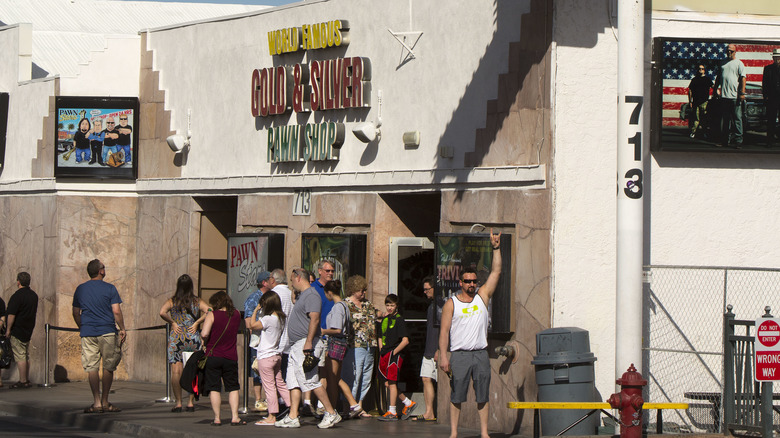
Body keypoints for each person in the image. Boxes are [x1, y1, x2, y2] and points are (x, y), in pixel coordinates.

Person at [439, 229, 502, 438]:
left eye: (474, 281)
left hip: (480, 353)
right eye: (467, 281)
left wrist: (496, 248)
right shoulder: (452, 303)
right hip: (460, 354)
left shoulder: (482, 297)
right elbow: (444, 331)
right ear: (460, 283)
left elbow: (495, 273)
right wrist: (444, 356)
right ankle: (454, 433)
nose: (471, 284)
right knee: (457, 395)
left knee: (482, 395)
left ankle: (484, 433)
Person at [275, 267, 341, 429]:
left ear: (298, 278)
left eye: (292, 280)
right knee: (293, 381)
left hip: (305, 343)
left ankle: (331, 413)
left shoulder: (311, 295)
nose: (291, 284)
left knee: (310, 381)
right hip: (296, 345)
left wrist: (309, 342)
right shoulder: (304, 295)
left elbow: (315, 318)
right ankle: (293, 416)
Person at [72, 259, 126, 413]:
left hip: (88, 332)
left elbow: (76, 312)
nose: (105, 269)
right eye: (104, 267)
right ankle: (105, 401)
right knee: (109, 366)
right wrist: (122, 328)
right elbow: (116, 311)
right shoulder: (110, 288)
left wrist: (82, 327)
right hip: (107, 331)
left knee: (92, 367)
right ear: (101, 271)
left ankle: (96, 402)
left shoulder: (80, 289)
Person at [158, 274, 210, 412]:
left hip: (177, 337)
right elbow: (209, 310)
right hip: (192, 336)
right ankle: (191, 402)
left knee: (176, 370)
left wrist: (173, 322)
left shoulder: (172, 301)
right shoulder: (196, 301)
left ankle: (179, 402)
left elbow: (162, 312)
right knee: (192, 369)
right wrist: (197, 322)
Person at [200, 290, 244, 426]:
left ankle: (217, 418)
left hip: (213, 355)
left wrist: (204, 342)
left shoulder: (212, 315)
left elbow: (204, 333)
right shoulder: (236, 314)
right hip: (231, 356)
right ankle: (235, 417)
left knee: (214, 387)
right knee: (233, 387)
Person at [321, 280, 362, 418]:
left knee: (333, 377)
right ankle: (348, 405)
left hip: (336, 342)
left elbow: (337, 329)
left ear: (330, 293)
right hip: (340, 342)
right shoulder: (344, 305)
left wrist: (323, 331)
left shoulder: (338, 307)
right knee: (335, 377)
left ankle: (334, 408)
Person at [249, 291, 291, 425]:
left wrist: (255, 310)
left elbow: (252, 325)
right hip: (276, 355)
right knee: (280, 383)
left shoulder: (267, 319)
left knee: (269, 387)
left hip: (266, 356)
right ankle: (293, 408)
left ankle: (272, 416)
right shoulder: (281, 318)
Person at [342, 275, 377, 418]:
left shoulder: (368, 304)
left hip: (370, 344)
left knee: (366, 376)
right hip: (354, 345)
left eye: (364, 290)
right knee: (353, 376)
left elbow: (375, 314)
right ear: (354, 289)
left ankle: (360, 406)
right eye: (361, 290)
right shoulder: (346, 305)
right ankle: (349, 406)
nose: (363, 293)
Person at [377, 294, 415, 421]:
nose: (389, 308)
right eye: (387, 305)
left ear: (396, 306)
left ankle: (392, 411)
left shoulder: (399, 320)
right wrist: (382, 350)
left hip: (394, 354)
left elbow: (405, 340)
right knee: (387, 383)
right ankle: (408, 403)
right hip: (385, 354)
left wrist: (393, 353)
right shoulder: (385, 319)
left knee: (392, 382)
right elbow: (380, 336)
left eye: (392, 305)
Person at [5, 272, 39, 389]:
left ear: (18, 282)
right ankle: (26, 378)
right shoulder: (33, 295)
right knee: (25, 355)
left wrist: (8, 330)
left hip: (18, 329)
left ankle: (23, 380)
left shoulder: (17, 296)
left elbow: (11, 315)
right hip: (28, 328)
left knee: (20, 355)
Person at [413, 276, 440, 422]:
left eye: (427, 289)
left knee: (441, 381)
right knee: (425, 378)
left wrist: (439, 349)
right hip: (428, 349)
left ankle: (440, 412)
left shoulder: (441, 306)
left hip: (437, 349)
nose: (425, 292)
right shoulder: (431, 306)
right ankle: (429, 412)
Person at [244, 271, 271, 411]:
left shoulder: (273, 297)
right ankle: (258, 399)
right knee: (257, 369)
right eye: (270, 279)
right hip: (258, 340)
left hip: (271, 340)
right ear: (264, 283)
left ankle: (269, 399)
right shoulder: (254, 298)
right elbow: (248, 322)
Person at [713, 44, 746, 147]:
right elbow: (718, 77)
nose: (729, 53)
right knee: (725, 120)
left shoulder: (739, 63)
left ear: (735, 52)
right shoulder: (722, 63)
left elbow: (743, 78)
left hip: (735, 97)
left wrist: (742, 93)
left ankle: (738, 141)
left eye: (731, 51)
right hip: (724, 97)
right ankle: (724, 141)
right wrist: (715, 89)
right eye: (727, 51)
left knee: (737, 119)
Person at [271, 268, 294, 380]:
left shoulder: (273, 295)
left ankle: (279, 397)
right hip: (289, 341)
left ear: (273, 280)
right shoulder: (291, 294)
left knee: (275, 377)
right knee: (285, 376)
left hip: (276, 342)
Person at [687, 64, 712, 139]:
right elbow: (690, 91)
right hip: (695, 102)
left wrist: (717, 93)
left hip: (704, 102)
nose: (700, 70)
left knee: (704, 118)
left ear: (704, 70)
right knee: (696, 118)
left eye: (702, 69)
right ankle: (693, 132)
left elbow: (713, 86)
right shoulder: (694, 79)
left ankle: (704, 133)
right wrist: (690, 101)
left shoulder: (707, 79)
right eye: (699, 69)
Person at [763, 49, 780, 147]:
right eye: (775, 57)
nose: (777, 59)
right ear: (773, 58)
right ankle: (769, 140)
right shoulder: (768, 69)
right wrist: (765, 96)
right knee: (771, 120)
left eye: (779, 57)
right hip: (772, 98)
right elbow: (764, 84)